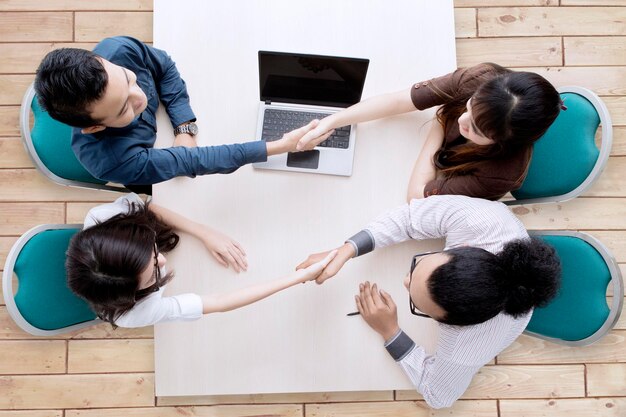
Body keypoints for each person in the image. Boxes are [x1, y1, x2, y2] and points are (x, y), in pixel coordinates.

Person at [296, 195, 560, 408]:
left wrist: (390, 331)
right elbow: (410, 218)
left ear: (451, 325)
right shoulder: (484, 220)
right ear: (464, 247)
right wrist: (346, 250)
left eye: (417, 305)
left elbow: (439, 396)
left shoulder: (465, 346)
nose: (405, 281)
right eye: (418, 264)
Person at [34, 36, 332, 193]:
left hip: (172, 142)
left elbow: (164, 66)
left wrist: (184, 127)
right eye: (124, 108)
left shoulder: (118, 49)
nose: (139, 98)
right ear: (95, 127)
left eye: (128, 79)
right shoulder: (112, 162)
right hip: (148, 176)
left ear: (101, 59)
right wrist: (283, 145)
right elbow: (195, 161)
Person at [295, 63, 564, 201]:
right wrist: (332, 121)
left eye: (476, 128)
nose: (462, 118)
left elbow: (417, 196)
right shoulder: (479, 78)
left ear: (503, 142)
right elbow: (398, 101)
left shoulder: (501, 174)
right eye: (469, 106)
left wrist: (437, 126)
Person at [66, 193, 337, 328]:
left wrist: (203, 232)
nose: (162, 262)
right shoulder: (134, 314)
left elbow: (145, 208)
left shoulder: (102, 218)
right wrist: (299, 277)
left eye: (152, 250)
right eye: (152, 277)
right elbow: (218, 303)